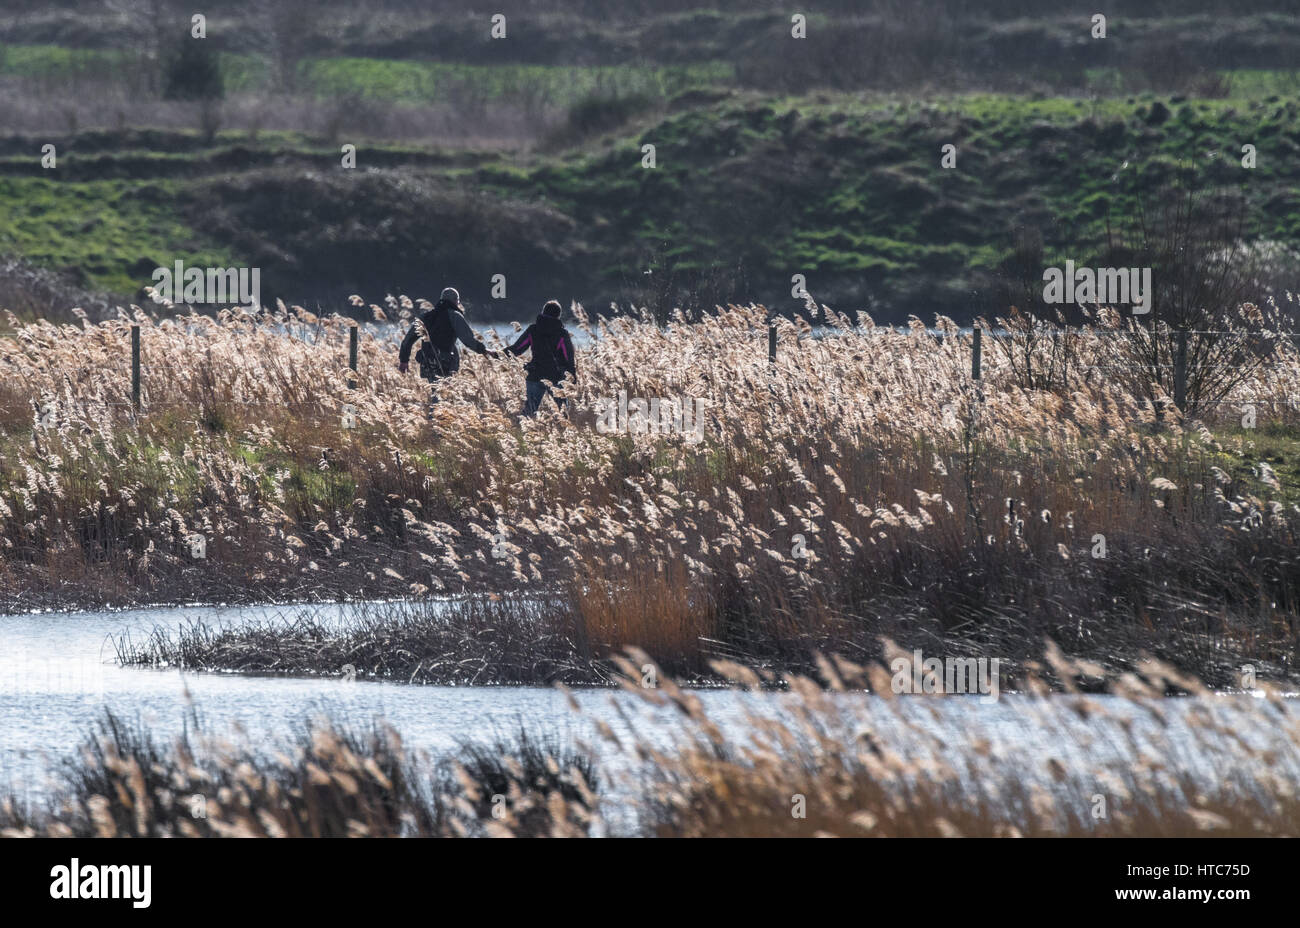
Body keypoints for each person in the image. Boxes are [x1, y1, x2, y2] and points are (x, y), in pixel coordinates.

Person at [398, 287, 490, 385]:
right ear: (455, 301)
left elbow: (408, 340)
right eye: (458, 301)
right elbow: (467, 340)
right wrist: (483, 350)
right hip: (446, 363)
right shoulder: (455, 316)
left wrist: (404, 360)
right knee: (444, 393)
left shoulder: (426, 317)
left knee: (436, 390)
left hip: (428, 362)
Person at [506, 300, 576, 416]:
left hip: (535, 374)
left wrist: (496, 354)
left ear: (543, 312)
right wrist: (572, 376)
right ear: (559, 315)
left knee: (529, 412)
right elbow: (569, 358)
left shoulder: (533, 330)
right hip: (556, 377)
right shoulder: (562, 333)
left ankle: (523, 431)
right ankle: (561, 432)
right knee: (563, 413)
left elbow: (517, 349)